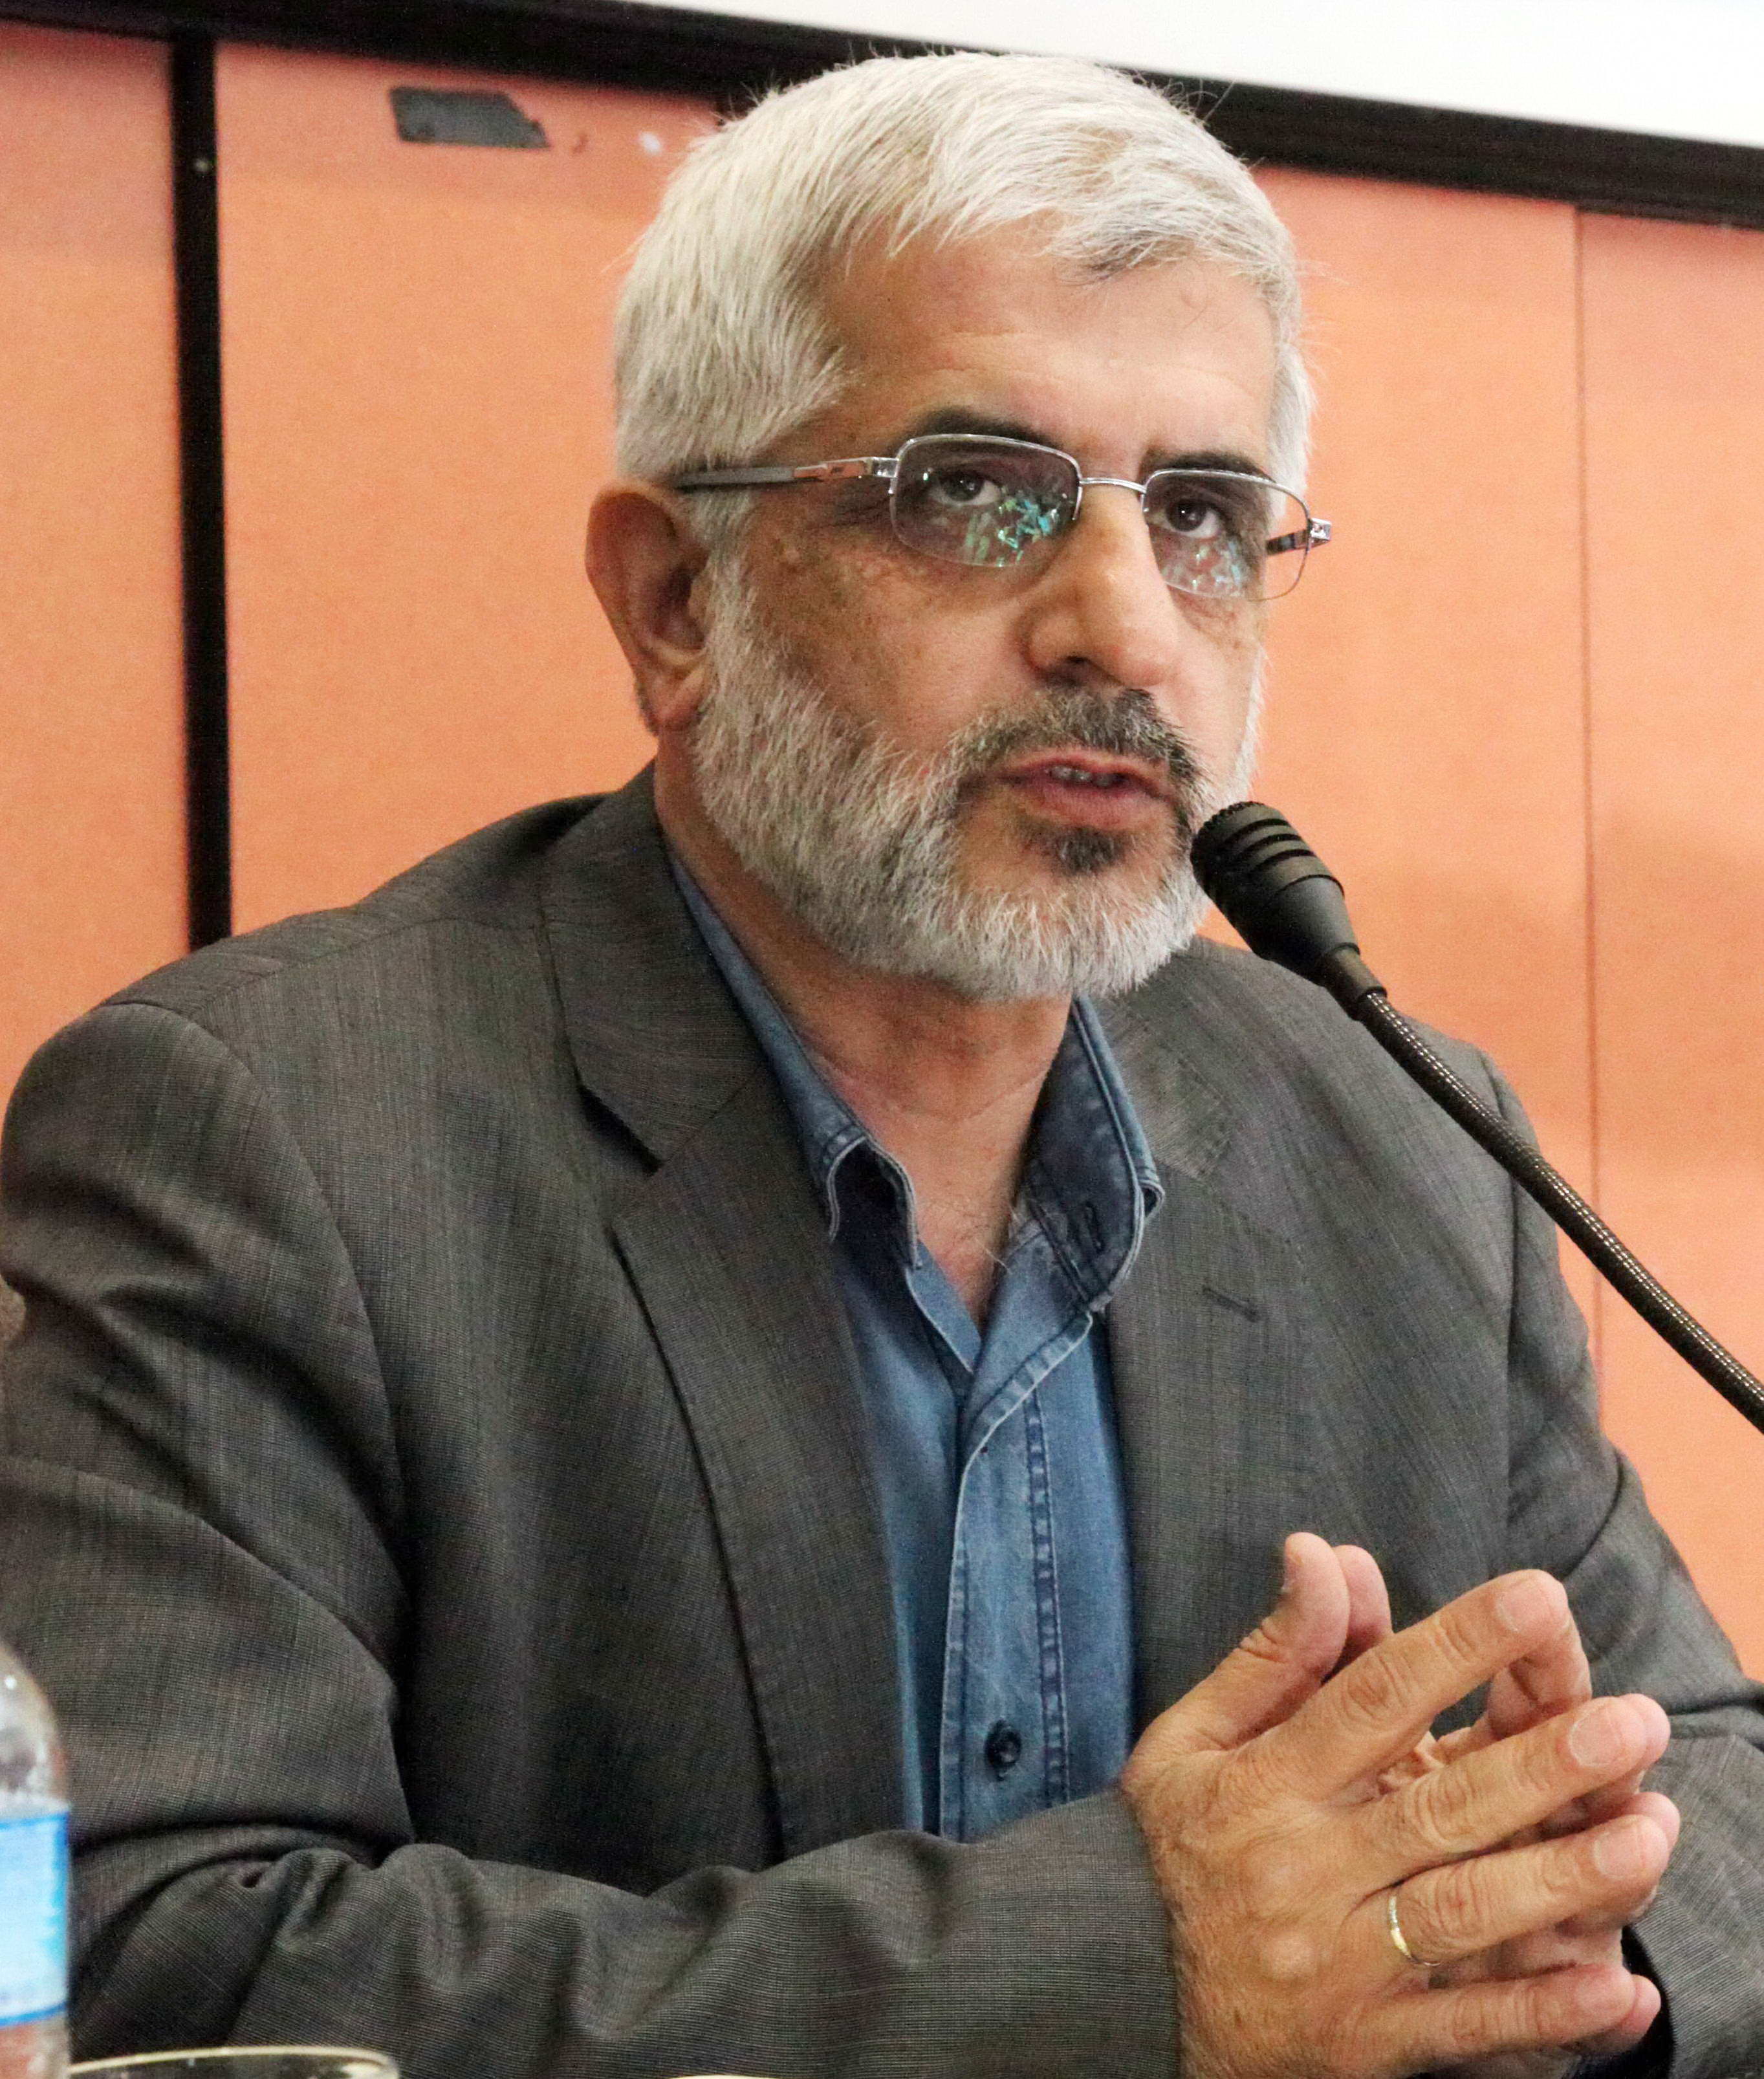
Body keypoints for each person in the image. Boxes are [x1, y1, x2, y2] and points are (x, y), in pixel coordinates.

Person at [1, 50, 1761, 2079]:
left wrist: (1516, 1957)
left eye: (1203, 516)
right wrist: (1140, 1972)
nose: (1125, 627)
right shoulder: (271, 1136)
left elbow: (1720, 1804)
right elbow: (158, 1952)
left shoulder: (1397, 1136)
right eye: (979, 494)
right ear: (676, 600)